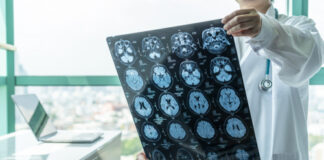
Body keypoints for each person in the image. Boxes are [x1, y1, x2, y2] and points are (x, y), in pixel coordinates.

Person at [137, 0, 324, 159]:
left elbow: (309, 57)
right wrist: (163, 150)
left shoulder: (299, 27)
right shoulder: (204, 42)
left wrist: (262, 29)